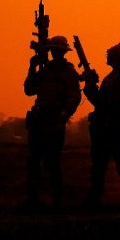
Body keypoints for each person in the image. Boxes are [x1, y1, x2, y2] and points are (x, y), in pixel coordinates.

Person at [23, 35, 81, 209]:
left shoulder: (68, 72)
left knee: (52, 162)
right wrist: (32, 66)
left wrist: (62, 117)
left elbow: (74, 97)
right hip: (39, 120)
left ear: (63, 52)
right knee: (34, 161)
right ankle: (32, 199)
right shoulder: (45, 69)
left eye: (57, 49)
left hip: (54, 119)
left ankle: (57, 200)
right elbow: (29, 89)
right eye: (52, 49)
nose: (55, 52)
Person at [82, 43, 120, 208]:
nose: (114, 62)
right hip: (103, 130)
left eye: (116, 59)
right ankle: (95, 197)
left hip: (118, 130)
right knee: (98, 166)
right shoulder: (109, 79)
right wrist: (90, 86)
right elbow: (99, 102)